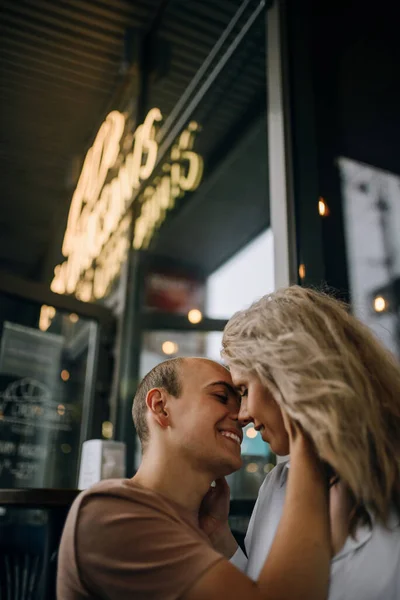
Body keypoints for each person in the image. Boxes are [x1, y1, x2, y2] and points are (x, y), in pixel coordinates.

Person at [57, 356, 331, 600]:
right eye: (221, 397)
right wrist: (305, 434)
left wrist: (217, 535)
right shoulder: (109, 514)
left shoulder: (191, 525)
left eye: (243, 398)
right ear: (161, 407)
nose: (242, 416)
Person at [217, 285, 400, 600]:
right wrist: (218, 535)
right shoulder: (275, 486)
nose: (242, 415)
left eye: (244, 390)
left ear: (289, 375)